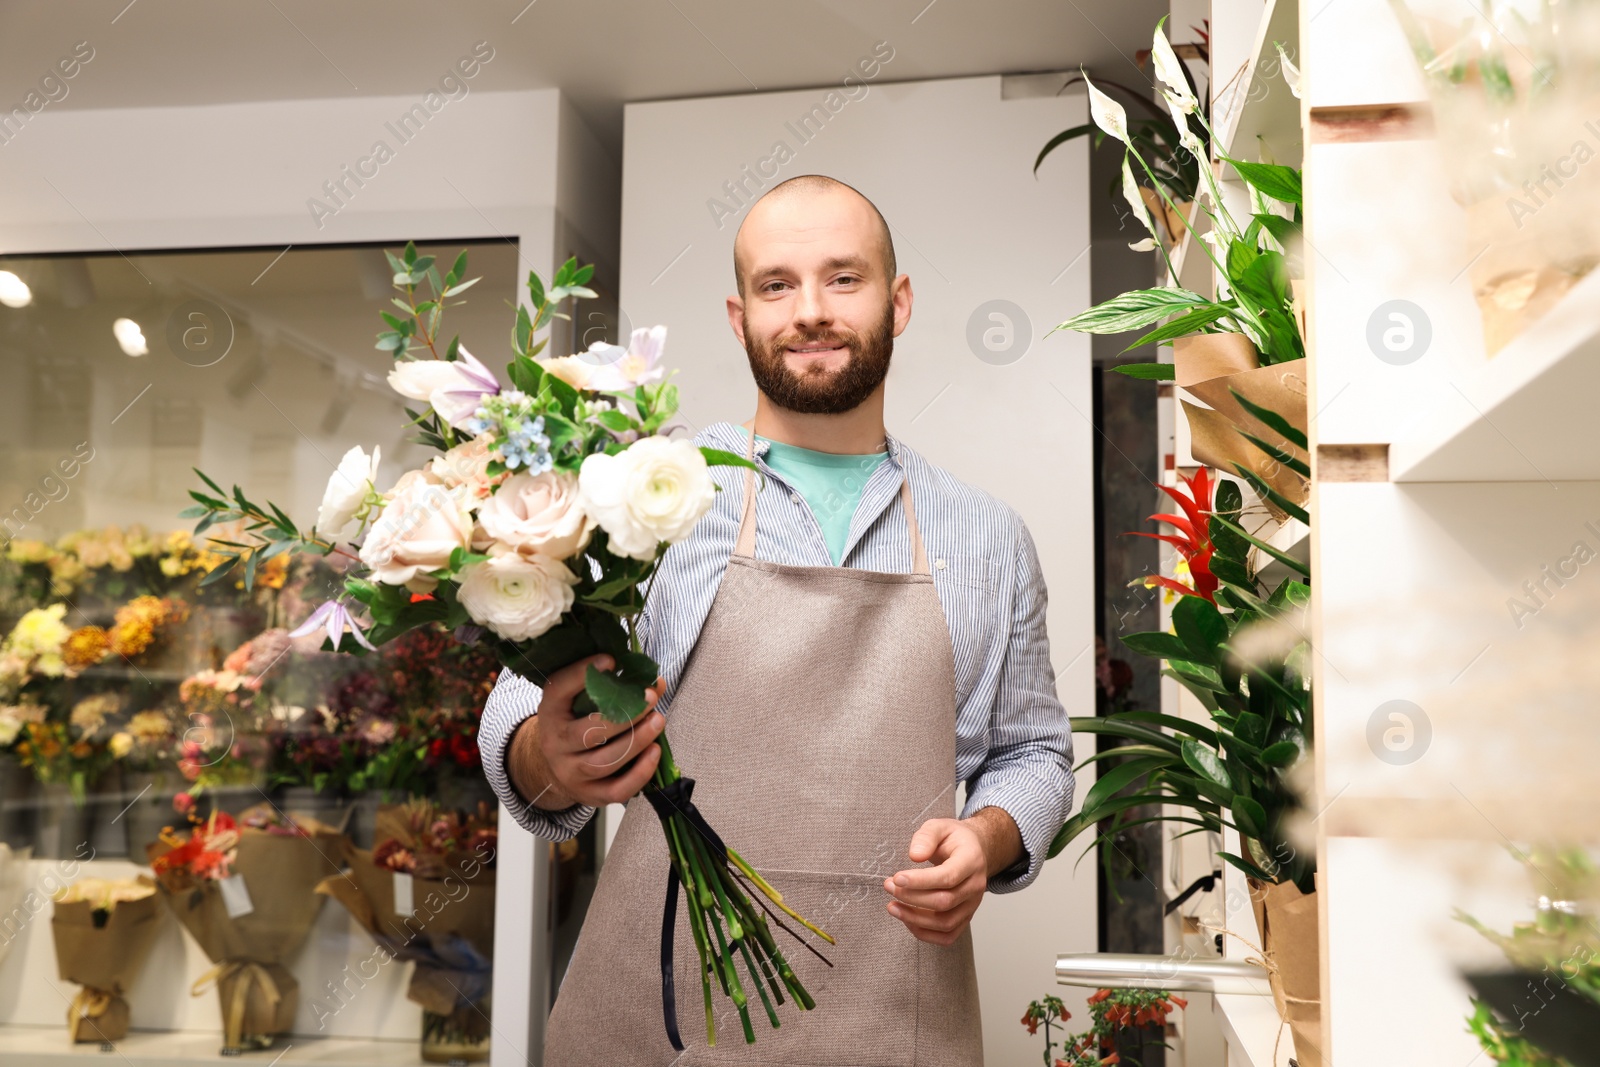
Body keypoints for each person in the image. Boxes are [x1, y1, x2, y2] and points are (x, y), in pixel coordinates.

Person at [478, 174, 1075, 1064]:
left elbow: (1035, 753)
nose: (810, 311)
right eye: (776, 284)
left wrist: (987, 841)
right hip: (659, 1015)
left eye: (843, 278)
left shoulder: (988, 536)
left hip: (894, 1015)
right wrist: (549, 754)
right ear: (739, 315)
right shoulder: (645, 502)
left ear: (897, 300)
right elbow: (515, 721)